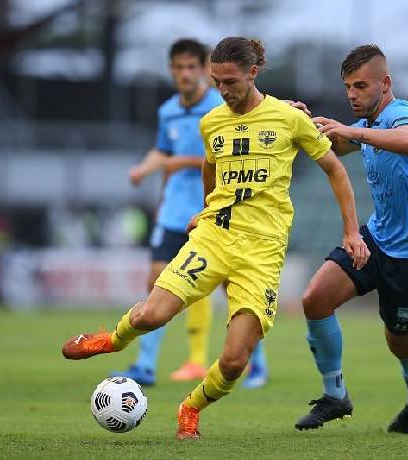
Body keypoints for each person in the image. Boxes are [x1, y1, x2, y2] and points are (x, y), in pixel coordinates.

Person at [61, 36, 369, 440]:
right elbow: (210, 166)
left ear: (252, 73)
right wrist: (207, 208)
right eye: (216, 81)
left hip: (261, 254)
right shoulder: (212, 121)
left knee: (234, 360)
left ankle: (190, 407)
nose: (222, 90)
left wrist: (351, 231)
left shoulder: (288, 118)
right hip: (214, 237)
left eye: (229, 81)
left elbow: (335, 170)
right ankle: (112, 341)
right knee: (149, 315)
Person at [294, 44, 408, 434]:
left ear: (386, 83)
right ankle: (335, 396)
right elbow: (337, 145)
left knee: (402, 344)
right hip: (377, 240)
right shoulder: (371, 125)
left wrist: (351, 129)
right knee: (315, 299)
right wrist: (303, 123)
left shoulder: (400, 114)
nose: (352, 94)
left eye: (361, 85)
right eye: (348, 86)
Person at [110, 38, 270, 388]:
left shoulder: (220, 107)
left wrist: (174, 163)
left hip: (211, 208)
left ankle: (254, 362)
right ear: (171, 70)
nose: (184, 73)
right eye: (178, 67)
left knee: (233, 290)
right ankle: (146, 364)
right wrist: (144, 169)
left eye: (190, 67)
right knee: (156, 282)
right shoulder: (168, 111)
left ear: (202, 71)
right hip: (173, 209)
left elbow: (218, 160)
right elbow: (162, 152)